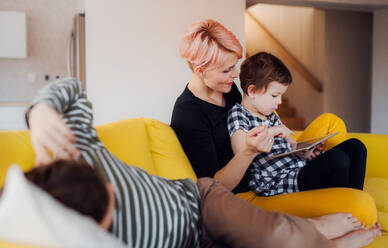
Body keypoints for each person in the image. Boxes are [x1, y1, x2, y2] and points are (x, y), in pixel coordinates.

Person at [25, 78, 380, 247]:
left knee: (273, 232)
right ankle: (325, 239)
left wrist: (39, 111)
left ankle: (319, 232)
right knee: (267, 241)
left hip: (201, 199)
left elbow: (70, 87)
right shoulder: (98, 238)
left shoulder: (82, 151)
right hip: (196, 241)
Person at [170, 19, 377, 240]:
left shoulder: (227, 89)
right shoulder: (189, 115)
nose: (234, 76)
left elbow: (260, 114)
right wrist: (249, 151)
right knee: (355, 197)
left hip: (278, 163)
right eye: (226, 70)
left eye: (235, 67)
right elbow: (212, 188)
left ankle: (336, 192)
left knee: (343, 135)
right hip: (252, 190)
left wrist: (297, 147)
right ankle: (343, 213)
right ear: (200, 70)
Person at [227, 52, 367, 197]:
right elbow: (241, 151)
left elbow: (293, 146)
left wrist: (306, 152)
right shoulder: (239, 114)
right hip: (277, 180)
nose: (279, 102)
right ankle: (349, 208)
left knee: (356, 146)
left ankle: (358, 203)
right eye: (275, 95)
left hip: (298, 168)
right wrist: (273, 131)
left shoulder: (269, 114)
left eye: (281, 95)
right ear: (252, 91)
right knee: (338, 159)